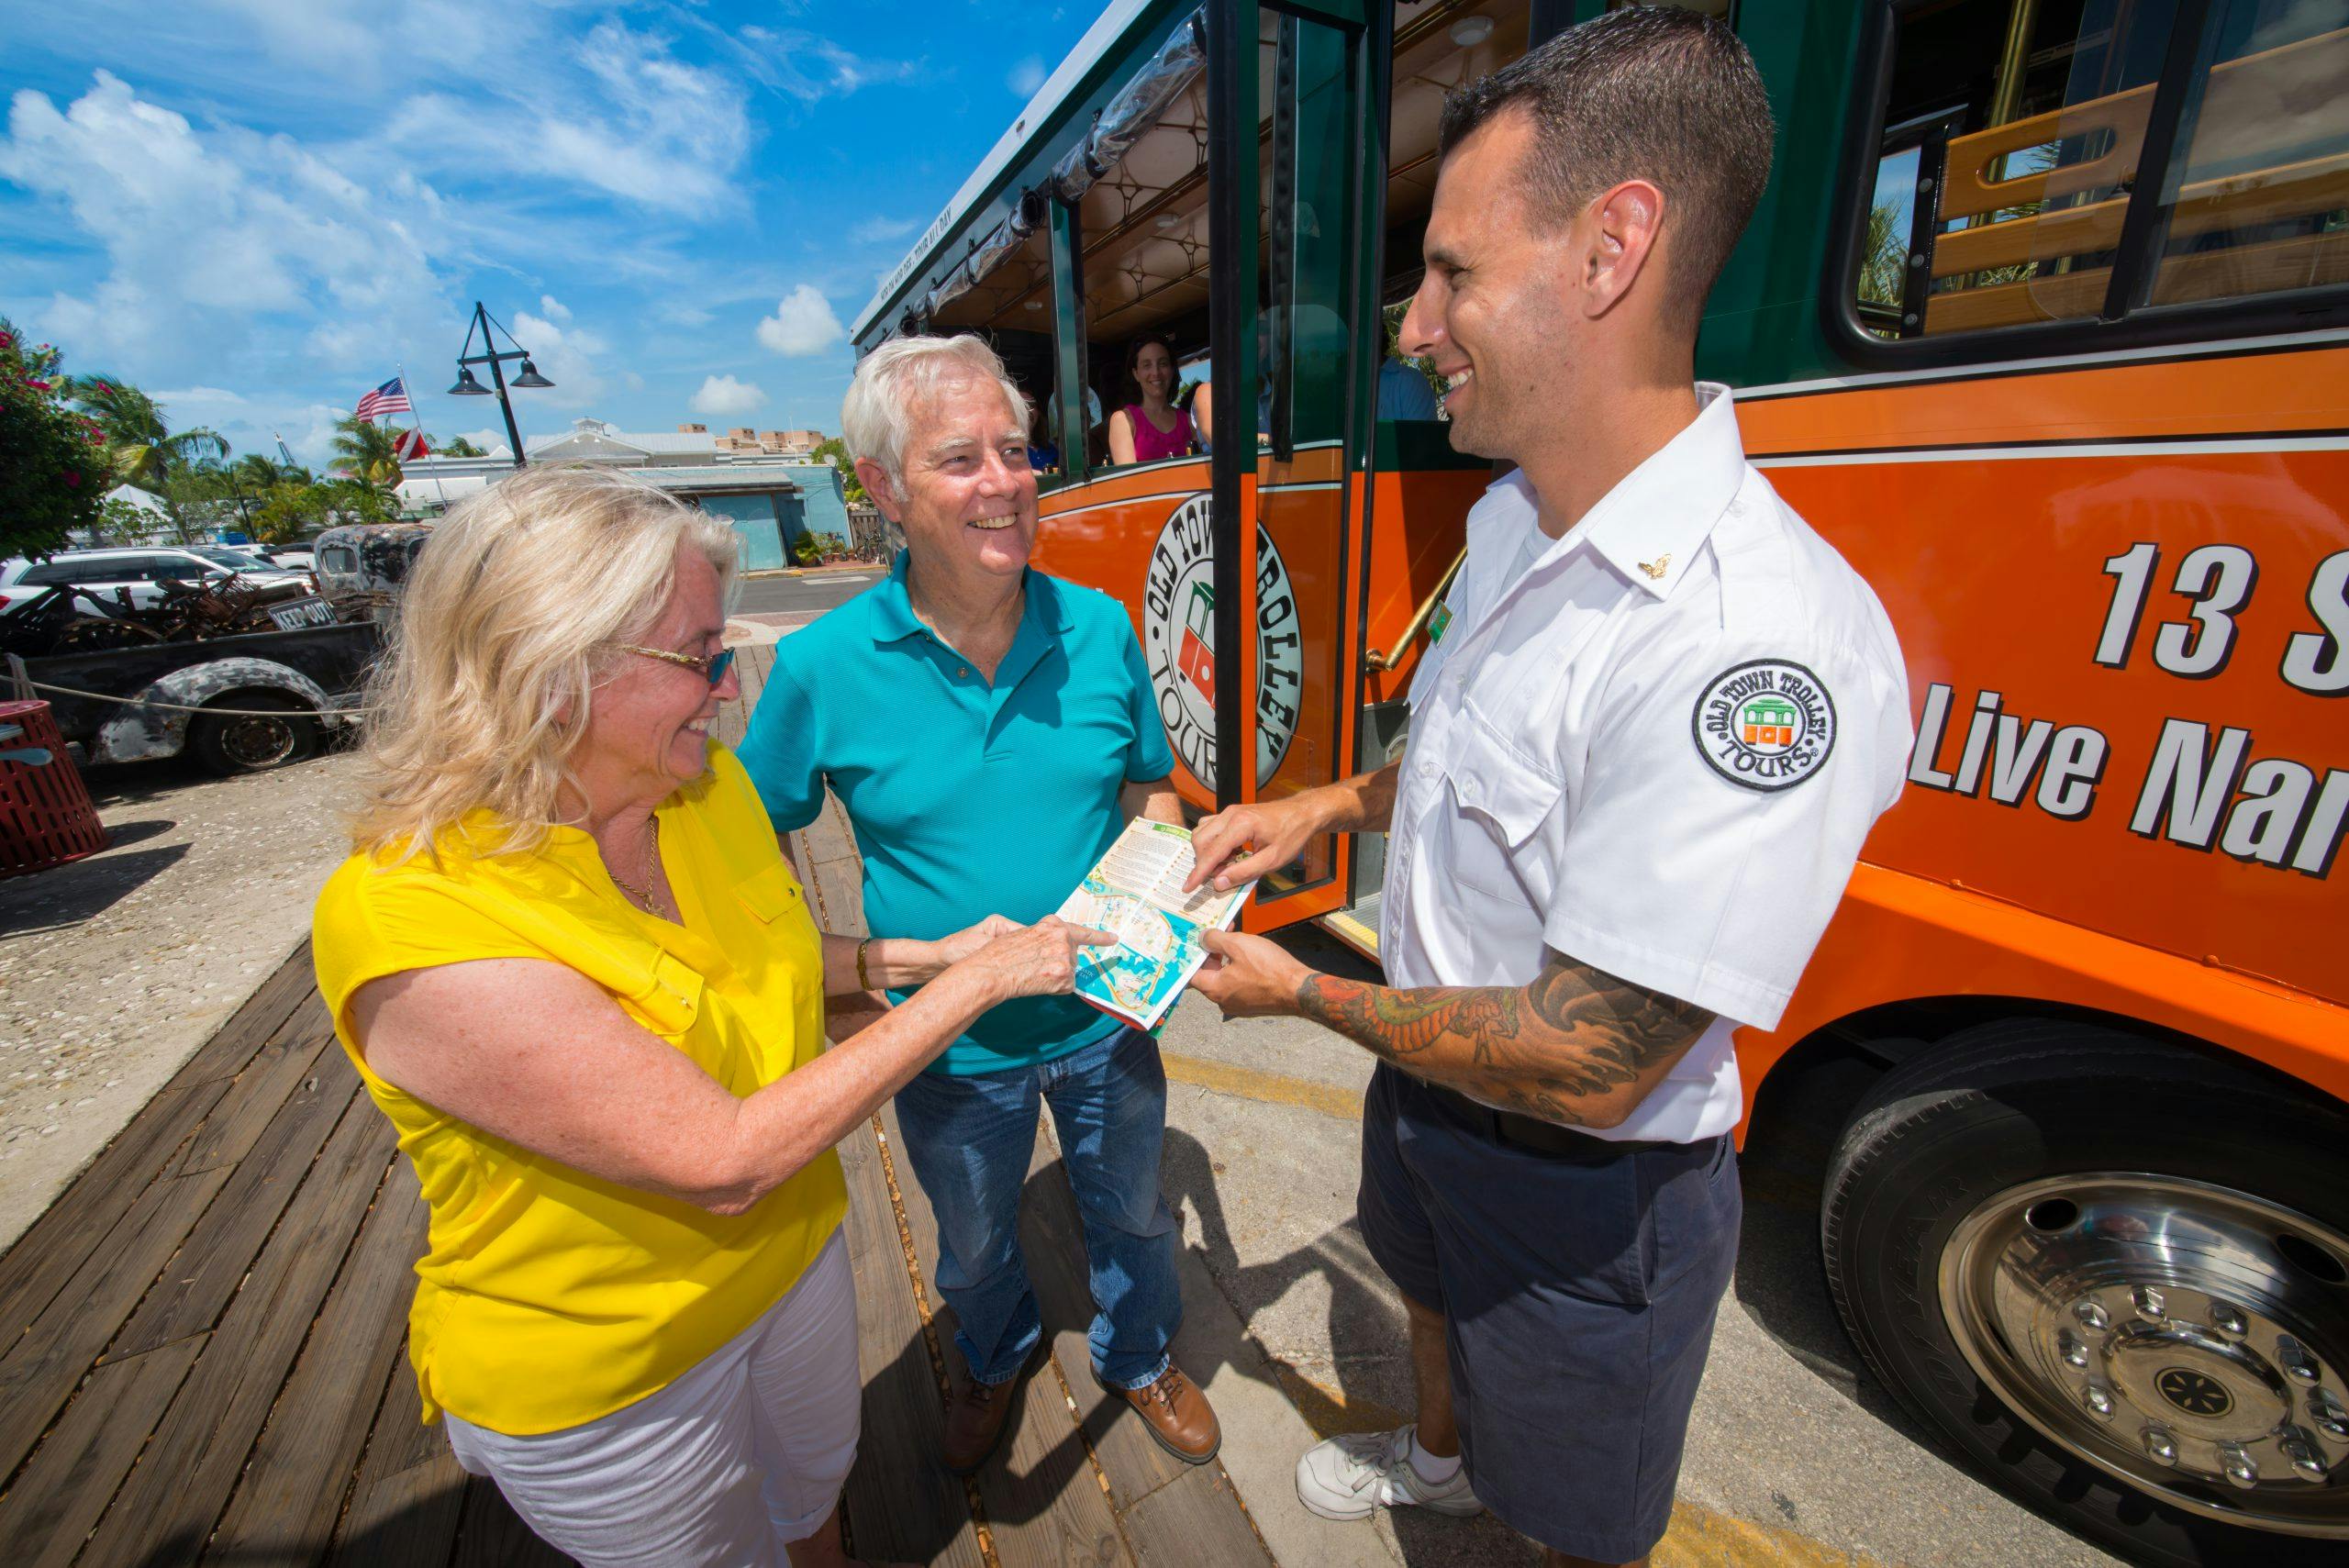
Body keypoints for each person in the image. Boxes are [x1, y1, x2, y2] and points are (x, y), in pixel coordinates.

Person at [1185, 13, 1911, 1568]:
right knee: (1428, 1303)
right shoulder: (1517, 511)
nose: (1409, 326)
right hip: (1433, 1084)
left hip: (1587, 1183)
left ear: (1610, 248)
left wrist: (1305, 1001)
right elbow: (1465, 759)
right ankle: (1436, 1455)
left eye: (1450, 271)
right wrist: (1324, 810)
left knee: (1568, 1520)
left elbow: (1593, 1058)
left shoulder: (1754, 637)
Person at [312, 465, 1108, 1568]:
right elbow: (722, 1157)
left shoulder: (699, 785)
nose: (729, 687)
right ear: (549, 670)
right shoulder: (412, 913)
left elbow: (769, 954)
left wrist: (930, 951)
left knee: (814, 1498)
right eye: (697, 656)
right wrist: (980, 984)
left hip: (793, 1261)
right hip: (613, 1368)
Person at [737, 334, 1223, 1476]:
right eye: (960, 458)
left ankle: (1140, 1350)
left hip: (1106, 1017)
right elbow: (733, 851)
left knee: (1139, 1217)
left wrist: (1161, 871)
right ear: (885, 491)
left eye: (1016, 450)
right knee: (970, 1242)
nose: (1005, 481)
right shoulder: (821, 666)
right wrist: (863, 963)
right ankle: (996, 1352)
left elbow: (1149, 781)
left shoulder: (1099, 624)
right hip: (947, 1042)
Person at [1105, 334, 1195, 464]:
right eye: (1147, 365)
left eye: (1163, 364)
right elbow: (1128, 482)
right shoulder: (1123, 420)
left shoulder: (1189, 420)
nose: (1156, 372)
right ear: (1136, 374)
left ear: (1172, 370)